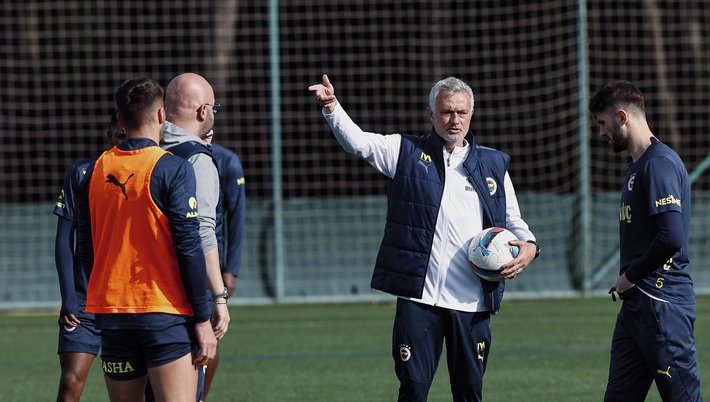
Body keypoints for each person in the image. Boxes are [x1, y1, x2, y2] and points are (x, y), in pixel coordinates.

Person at [308, 74, 540, 401]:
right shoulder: (405, 151)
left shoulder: (493, 165)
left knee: (469, 393)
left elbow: (513, 220)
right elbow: (359, 143)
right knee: (414, 390)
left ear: (472, 113)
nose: (454, 119)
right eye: (446, 112)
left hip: (471, 303)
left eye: (461, 112)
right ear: (431, 114)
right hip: (420, 301)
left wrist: (530, 247)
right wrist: (332, 107)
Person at [78, 77, 217, 402]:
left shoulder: (95, 170)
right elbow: (189, 246)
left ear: (120, 119)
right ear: (160, 116)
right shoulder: (172, 168)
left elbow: (86, 246)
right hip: (163, 313)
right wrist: (202, 317)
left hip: (112, 314)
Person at [590, 81, 702, 402]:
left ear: (622, 117)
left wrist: (630, 276)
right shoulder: (637, 166)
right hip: (637, 307)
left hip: (662, 304)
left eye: (603, 123)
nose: (601, 132)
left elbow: (671, 237)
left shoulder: (659, 164)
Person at [162, 72, 231, 402]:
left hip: (131, 299)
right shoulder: (198, 159)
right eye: (214, 108)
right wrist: (218, 297)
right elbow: (202, 231)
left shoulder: (139, 151)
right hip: (180, 299)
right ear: (203, 111)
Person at [53, 113, 125, 402]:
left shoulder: (152, 173)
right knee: (71, 382)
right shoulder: (82, 172)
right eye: (119, 136)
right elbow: (63, 239)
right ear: (109, 136)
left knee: (135, 389)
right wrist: (68, 297)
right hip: (84, 301)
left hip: (127, 301)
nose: (125, 142)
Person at [203, 131, 247, 401]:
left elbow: (237, 216)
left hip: (209, 267)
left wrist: (231, 268)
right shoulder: (165, 154)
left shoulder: (226, 161)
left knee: (208, 335)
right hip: (169, 266)